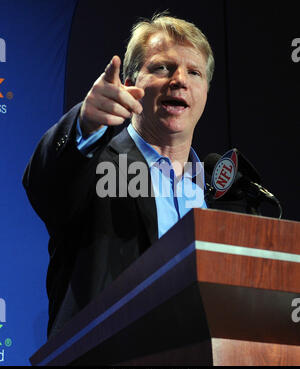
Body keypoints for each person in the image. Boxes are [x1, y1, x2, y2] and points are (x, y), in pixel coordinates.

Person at [23, 13, 254, 339]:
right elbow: (47, 186)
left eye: (194, 72)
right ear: (130, 83)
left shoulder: (219, 195)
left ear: (205, 91)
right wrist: (84, 123)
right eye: (162, 68)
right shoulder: (97, 167)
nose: (179, 80)